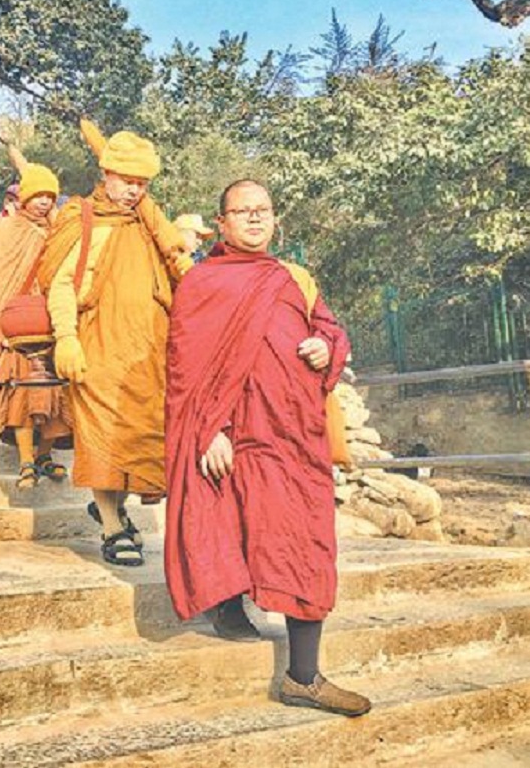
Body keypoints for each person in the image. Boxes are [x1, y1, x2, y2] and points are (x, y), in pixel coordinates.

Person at [164, 179, 370, 717]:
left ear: (276, 219)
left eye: (264, 211)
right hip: (235, 435)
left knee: (306, 541)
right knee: (228, 522)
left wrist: (326, 346)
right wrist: (208, 429)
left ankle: (303, 676)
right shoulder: (201, 283)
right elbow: (187, 368)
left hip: (292, 434)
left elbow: (330, 327)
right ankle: (228, 608)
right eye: (242, 212)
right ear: (223, 221)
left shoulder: (294, 278)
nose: (255, 220)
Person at [39, 129, 192, 567]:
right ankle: (111, 525)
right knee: (103, 438)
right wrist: (66, 337)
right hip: (98, 348)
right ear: (105, 173)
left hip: (150, 354)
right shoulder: (80, 217)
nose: (133, 191)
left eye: (141, 184)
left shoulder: (151, 226)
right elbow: (62, 283)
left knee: (143, 437)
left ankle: (112, 507)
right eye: (126, 180)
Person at [0, 164, 72, 489]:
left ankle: (45, 455)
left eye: (50, 196)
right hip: (17, 326)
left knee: (54, 397)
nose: (44, 202)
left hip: (51, 323)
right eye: (38, 196)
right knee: (21, 395)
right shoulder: (8, 230)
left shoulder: (59, 232)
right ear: (25, 197)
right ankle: (25, 461)